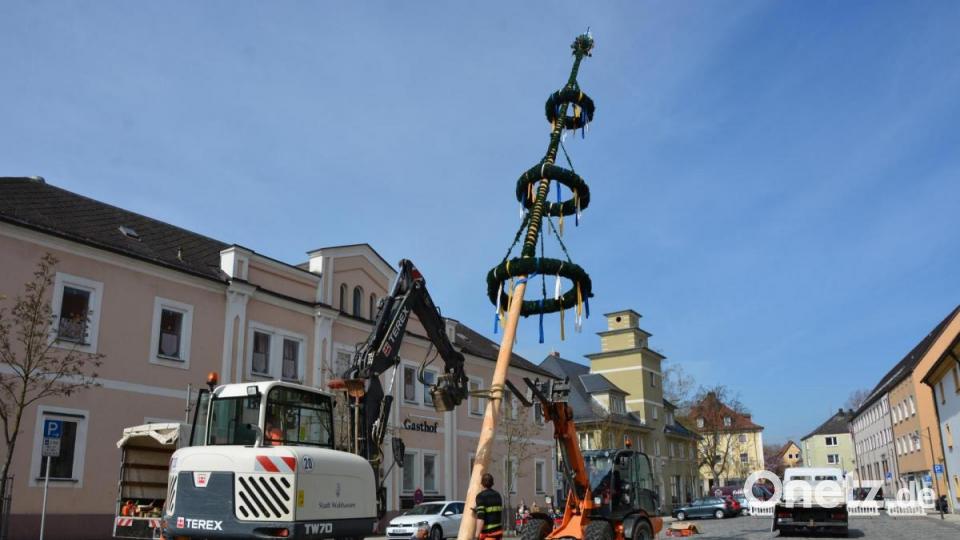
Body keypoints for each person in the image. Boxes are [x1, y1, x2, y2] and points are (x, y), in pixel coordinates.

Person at [474, 473, 504, 540]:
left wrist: (476, 535)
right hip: (498, 533)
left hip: (488, 534)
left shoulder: (481, 496)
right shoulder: (498, 495)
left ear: (482, 483)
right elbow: (493, 512)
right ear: (492, 483)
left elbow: (481, 518)